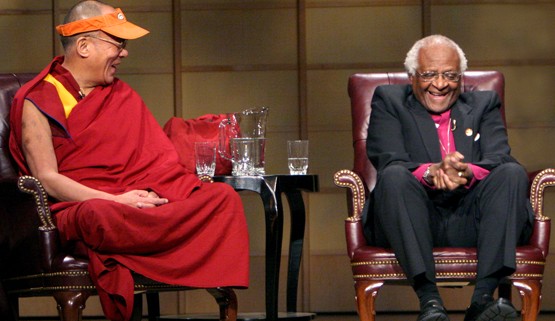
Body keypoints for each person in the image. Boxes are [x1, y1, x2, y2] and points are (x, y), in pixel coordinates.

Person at [8, 1, 249, 320]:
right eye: (117, 43)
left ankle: (144, 239)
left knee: (221, 199)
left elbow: (156, 162)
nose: (124, 53)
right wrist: (117, 200)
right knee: (99, 216)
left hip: (133, 205)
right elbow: (47, 178)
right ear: (83, 45)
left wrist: (153, 193)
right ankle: (149, 239)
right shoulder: (38, 99)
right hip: (84, 207)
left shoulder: (122, 96)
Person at [362, 35, 533, 321]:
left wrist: (468, 172)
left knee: (512, 173)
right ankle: (430, 303)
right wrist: (432, 172)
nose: (440, 84)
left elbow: (499, 156)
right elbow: (387, 157)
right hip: (411, 218)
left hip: (472, 220)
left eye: (450, 75)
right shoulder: (389, 101)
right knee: (393, 176)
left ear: (461, 77)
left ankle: (482, 302)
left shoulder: (484, 103)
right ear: (413, 76)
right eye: (429, 74)